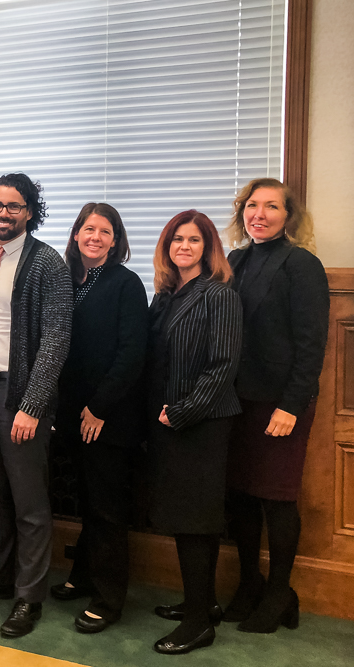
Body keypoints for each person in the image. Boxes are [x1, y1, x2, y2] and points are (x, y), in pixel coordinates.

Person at [0, 173, 73, 639]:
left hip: (19, 396)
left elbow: (57, 339)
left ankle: (29, 596)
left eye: (15, 207)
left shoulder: (47, 264)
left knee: (29, 502)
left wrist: (33, 404)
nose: (4, 213)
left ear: (30, 213)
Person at [222, 178, 329, 632]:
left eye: (271, 207)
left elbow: (312, 345)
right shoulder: (234, 260)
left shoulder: (302, 264)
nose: (258, 214)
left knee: (277, 500)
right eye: (251, 205)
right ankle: (250, 583)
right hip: (235, 400)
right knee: (241, 497)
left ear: (289, 216)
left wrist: (290, 405)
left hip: (281, 404)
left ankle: (281, 592)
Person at [147, 210, 242, 655]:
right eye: (176, 239)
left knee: (197, 523)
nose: (184, 246)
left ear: (209, 248)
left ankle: (201, 623)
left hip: (201, 423)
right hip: (171, 422)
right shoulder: (166, 295)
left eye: (194, 240)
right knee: (185, 522)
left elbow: (223, 366)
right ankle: (196, 602)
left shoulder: (218, 295)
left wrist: (183, 412)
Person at [51, 203, 148, 633]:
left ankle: (109, 599)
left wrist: (99, 408)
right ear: (75, 235)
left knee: (108, 510)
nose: (95, 236)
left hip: (109, 416)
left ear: (116, 240)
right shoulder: (65, 282)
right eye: (88, 229)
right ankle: (84, 574)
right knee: (87, 502)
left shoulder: (126, 284)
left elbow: (132, 354)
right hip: (71, 413)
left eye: (104, 231)